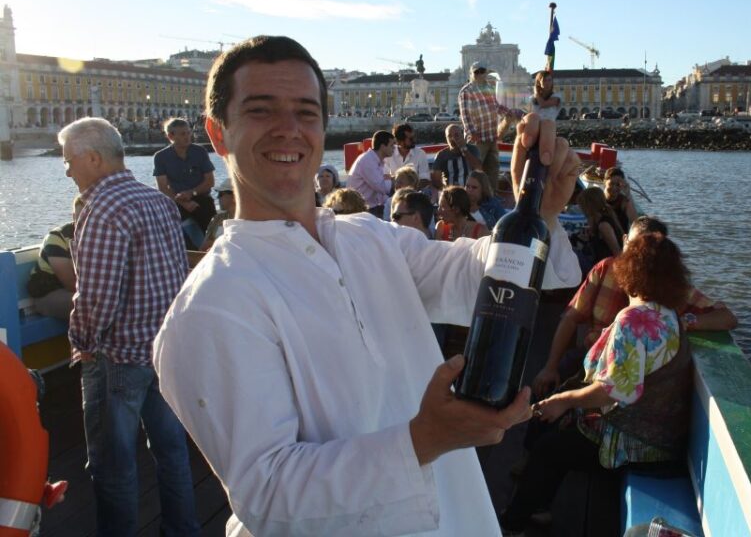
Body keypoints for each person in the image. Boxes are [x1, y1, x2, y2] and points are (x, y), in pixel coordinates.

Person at [152, 36, 583, 536]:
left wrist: (540, 211)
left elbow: (476, 277)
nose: (289, 129)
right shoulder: (210, 305)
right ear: (218, 133)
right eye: (261, 110)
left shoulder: (367, 235)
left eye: (306, 112)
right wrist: (422, 441)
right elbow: (266, 495)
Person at [500, 230, 694, 536]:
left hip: (637, 443)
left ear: (629, 270)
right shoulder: (670, 315)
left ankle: (511, 525)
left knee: (550, 448)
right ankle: (537, 507)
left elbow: (613, 390)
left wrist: (564, 401)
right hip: (663, 436)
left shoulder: (634, 321)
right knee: (557, 431)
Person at [59, 117, 199, 536]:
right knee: (172, 452)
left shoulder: (102, 209)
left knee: (113, 464)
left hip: (118, 358)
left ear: (94, 158)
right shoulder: (158, 202)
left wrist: (81, 343)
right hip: (164, 350)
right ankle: (184, 530)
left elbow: (98, 298)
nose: (66, 171)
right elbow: (177, 275)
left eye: (69, 161)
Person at [533, 216, 738, 399]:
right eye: (635, 248)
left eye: (649, 251)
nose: (640, 258)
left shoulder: (669, 285)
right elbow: (571, 317)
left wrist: (687, 321)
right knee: (540, 399)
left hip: (634, 378)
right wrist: (550, 367)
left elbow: (727, 318)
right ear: (624, 242)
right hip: (591, 361)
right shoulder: (605, 269)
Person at [458, 61, 523, 191]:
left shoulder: (489, 88)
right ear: (471, 74)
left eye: (482, 71)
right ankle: (473, 197)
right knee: (476, 170)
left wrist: (510, 112)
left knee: (493, 169)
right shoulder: (466, 91)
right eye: (476, 72)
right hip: (477, 138)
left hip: (491, 136)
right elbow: (465, 115)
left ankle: (492, 196)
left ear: (486, 73)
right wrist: (472, 132)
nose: (479, 74)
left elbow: (496, 107)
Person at [153, 117, 217, 232]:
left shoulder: (200, 152)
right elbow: (162, 187)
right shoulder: (161, 157)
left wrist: (192, 193)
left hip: (202, 200)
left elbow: (210, 181)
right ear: (170, 136)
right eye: (183, 134)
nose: (187, 137)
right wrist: (182, 202)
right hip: (176, 202)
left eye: (188, 132)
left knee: (211, 235)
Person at [26, 195, 83, 320]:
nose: (84, 222)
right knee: (88, 306)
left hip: (80, 291)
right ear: (73, 216)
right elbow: (70, 283)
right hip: (49, 293)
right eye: (80, 216)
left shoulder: (100, 237)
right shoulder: (57, 238)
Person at [569, 186, 625, 276]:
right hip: (599, 263)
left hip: (604, 268)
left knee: (571, 251)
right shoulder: (599, 221)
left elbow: (617, 251)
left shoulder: (604, 225)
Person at [347, 129, 394, 217]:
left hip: (370, 206)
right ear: (383, 146)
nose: (394, 148)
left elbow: (381, 192)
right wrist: (391, 180)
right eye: (392, 145)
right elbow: (382, 188)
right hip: (362, 209)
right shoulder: (368, 161)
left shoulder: (375, 160)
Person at [431, 123, 482, 191]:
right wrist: (447, 191)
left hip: (470, 191)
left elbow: (478, 169)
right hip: (450, 192)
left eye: (456, 135)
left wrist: (464, 149)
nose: (453, 138)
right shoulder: (441, 155)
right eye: (450, 136)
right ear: (446, 139)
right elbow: (436, 180)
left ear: (462, 135)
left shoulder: (472, 149)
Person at [385, 123, 430, 189]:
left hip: (414, 194)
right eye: (411, 139)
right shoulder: (389, 155)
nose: (414, 140)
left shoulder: (420, 154)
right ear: (399, 141)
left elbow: (425, 179)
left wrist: (409, 189)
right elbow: (384, 178)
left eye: (414, 137)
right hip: (393, 194)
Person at [200, 177, 236, 251]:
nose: (217, 197)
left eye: (221, 194)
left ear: (234, 197)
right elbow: (203, 248)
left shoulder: (247, 220)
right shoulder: (217, 219)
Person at [603, 167, 638, 232]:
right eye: (611, 184)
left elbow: (635, 222)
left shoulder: (623, 201)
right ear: (605, 182)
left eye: (618, 185)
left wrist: (628, 193)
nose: (614, 188)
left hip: (621, 238)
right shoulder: (599, 199)